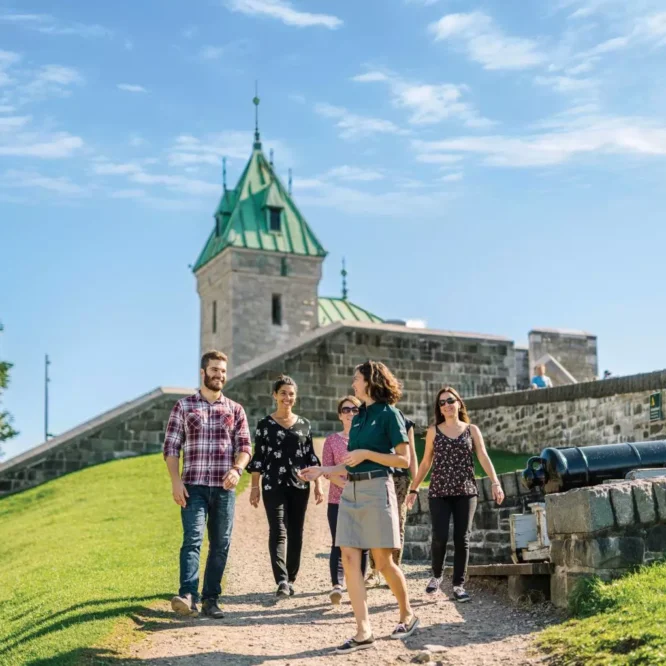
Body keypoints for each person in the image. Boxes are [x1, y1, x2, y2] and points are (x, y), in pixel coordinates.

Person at [300, 361, 419, 654]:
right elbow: (353, 461)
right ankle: (363, 630)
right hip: (350, 491)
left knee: (382, 562)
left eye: (356, 378)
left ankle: (407, 613)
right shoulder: (361, 416)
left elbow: (403, 460)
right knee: (350, 560)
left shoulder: (390, 414)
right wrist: (323, 470)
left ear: (369, 380)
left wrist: (367, 452)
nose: (353, 383)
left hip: (379, 489)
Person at [163, 350, 252, 619]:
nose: (219, 375)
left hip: (224, 488)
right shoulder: (183, 406)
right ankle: (188, 595)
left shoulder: (235, 409)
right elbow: (171, 448)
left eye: (223, 371)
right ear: (203, 373)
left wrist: (238, 469)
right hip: (193, 486)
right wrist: (176, 482)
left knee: (221, 543)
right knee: (192, 539)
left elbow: (246, 447)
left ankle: (211, 599)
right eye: (214, 370)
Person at [406, 386, 505, 602]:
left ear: (459, 403)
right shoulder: (433, 431)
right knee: (440, 536)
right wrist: (414, 488)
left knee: (463, 538)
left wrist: (495, 482)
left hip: (466, 491)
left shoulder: (472, 430)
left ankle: (459, 585)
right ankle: (436, 575)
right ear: (439, 408)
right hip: (439, 491)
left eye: (450, 400)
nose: (446, 405)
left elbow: (484, 457)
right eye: (442, 403)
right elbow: (425, 463)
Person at [247, 375, 324, 598]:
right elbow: (258, 458)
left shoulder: (304, 425)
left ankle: (291, 578)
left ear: (295, 397)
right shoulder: (264, 425)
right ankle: (281, 580)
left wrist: (318, 484)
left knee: (296, 532)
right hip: (273, 484)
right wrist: (254, 488)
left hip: (300, 485)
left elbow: (310, 457)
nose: (287, 397)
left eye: (291, 394)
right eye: (283, 393)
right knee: (278, 530)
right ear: (274, 395)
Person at [321, 395, 368, 605]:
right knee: (338, 543)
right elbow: (327, 471)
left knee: (363, 544)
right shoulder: (332, 440)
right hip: (337, 500)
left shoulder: (367, 440)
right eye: (346, 410)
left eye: (355, 409)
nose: (350, 413)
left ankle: (358, 585)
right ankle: (337, 585)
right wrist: (348, 486)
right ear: (340, 415)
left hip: (364, 500)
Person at [365, 412, 418, 588]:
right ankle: (374, 572)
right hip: (376, 476)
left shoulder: (405, 422)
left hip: (400, 479)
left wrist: (415, 486)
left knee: (398, 523)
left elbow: (412, 455)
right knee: (374, 523)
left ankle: (394, 570)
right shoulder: (370, 417)